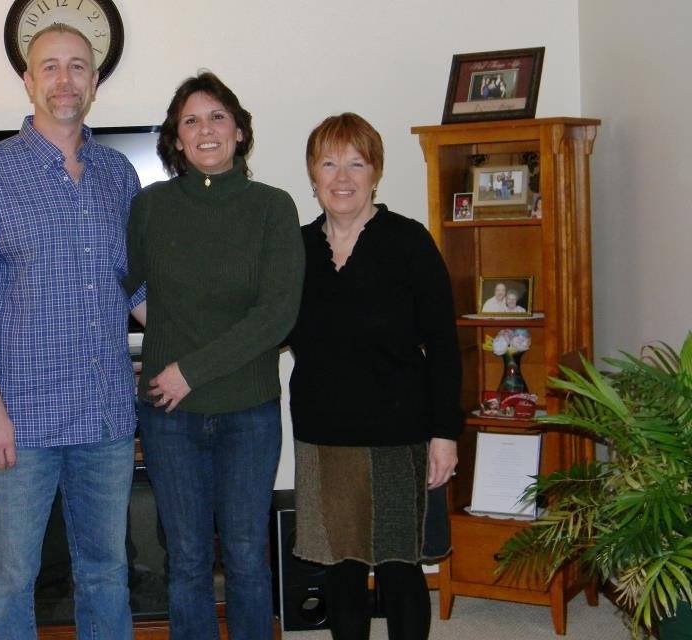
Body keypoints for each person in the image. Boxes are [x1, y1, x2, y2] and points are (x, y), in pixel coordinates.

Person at [0, 24, 143, 640]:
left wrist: (204, 346)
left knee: (107, 573)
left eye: (78, 66)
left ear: (95, 81)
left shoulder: (118, 177)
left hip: (104, 416)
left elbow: (135, 287)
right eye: (49, 67)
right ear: (28, 80)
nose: (64, 80)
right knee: (9, 580)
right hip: (17, 417)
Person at [124, 71, 305, 639]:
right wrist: (164, 337)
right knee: (186, 560)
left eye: (218, 117)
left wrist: (189, 368)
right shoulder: (150, 206)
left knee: (249, 556)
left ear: (240, 131)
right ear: (176, 140)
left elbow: (278, 315)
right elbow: (123, 283)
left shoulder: (273, 208)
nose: (206, 130)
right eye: (191, 121)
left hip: (247, 411)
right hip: (169, 416)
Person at [287, 113, 462, 640]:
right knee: (341, 570)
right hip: (325, 437)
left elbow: (446, 346)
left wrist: (445, 433)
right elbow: (260, 325)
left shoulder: (408, 242)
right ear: (313, 175)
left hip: (398, 436)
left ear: (376, 172)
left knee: (398, 568)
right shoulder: (294, 250)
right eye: (329, 163)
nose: (343, 177)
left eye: (356, 163)